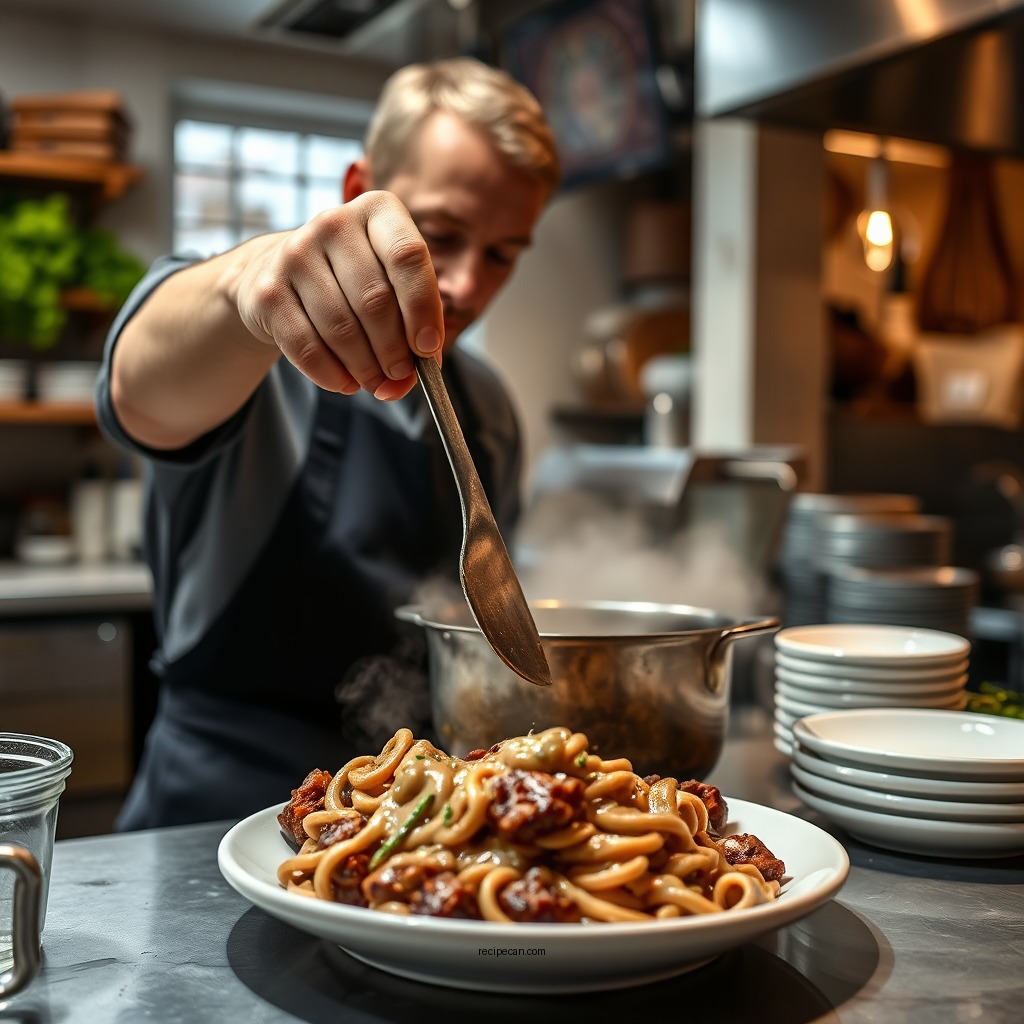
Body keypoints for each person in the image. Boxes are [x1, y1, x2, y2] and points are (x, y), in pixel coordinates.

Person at [96, 57, 561, 830]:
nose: (470, 286)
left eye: (505, 253)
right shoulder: (257, 362)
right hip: (204, 819)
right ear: (358, 192)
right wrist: (247, 280)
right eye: (442, 235)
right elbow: (138, 391)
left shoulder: (488, 407)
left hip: (408, 824)